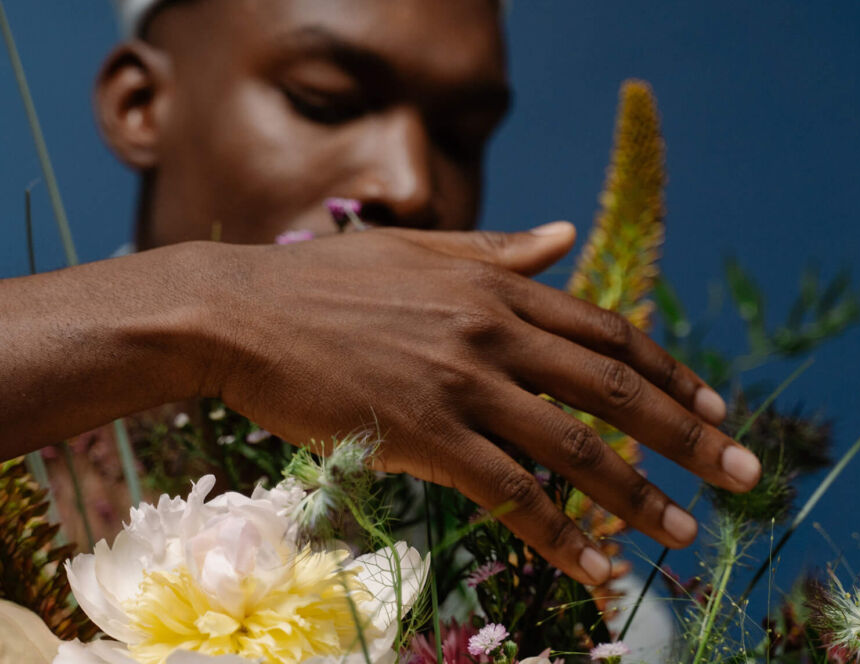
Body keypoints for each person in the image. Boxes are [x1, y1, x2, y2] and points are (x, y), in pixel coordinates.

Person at [0, 0, 761, 588]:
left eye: (460, 138)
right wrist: (218, 309)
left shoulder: (548, 597)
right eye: (325, 100)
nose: (411, 184)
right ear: (140, 104)